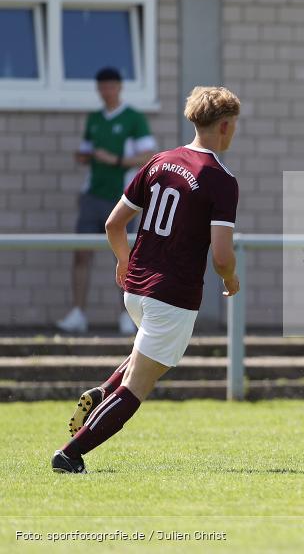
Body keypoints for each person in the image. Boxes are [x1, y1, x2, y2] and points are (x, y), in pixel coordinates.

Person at [52, 86, 242, 473]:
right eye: (235, 124)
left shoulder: (160, 162)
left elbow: (113, 224)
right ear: (224, 126)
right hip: (173, 295)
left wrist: (124, 262)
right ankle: (71, 454)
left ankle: (102, 391)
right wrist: (232, 279)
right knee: (137, 389)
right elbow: (221, 256)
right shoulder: (221, 179)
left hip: (136, 289)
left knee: (142, 356)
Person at [56, 67, 158, 334]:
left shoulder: (134, 118)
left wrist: (115, 160)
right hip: (93, 195)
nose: (106, 91)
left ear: (119, 87)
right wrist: (85, 156)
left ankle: (127, 315)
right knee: (81, 253)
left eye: (110, 86)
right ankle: (78, 313)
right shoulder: (94, 119)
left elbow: (149, 156)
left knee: (128, 255)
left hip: (123, 198)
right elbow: (89, 151)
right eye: (102, 87)